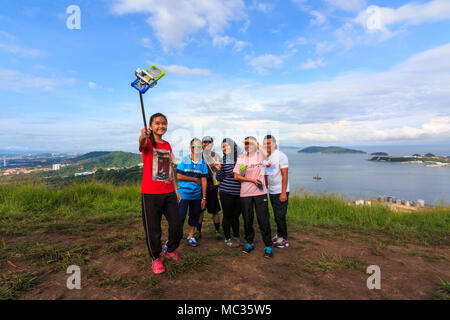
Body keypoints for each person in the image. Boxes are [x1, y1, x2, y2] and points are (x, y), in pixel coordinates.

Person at [139, 113, 182, 275]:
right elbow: (142, 143)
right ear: (150, 126)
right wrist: (143, 136)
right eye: (157, 123)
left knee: (177, 225)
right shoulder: (148, 142)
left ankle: (170, 249)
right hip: (150, 193)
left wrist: (176, 189)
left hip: (169, 191)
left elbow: (170, 168)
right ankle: (155, 258)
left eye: (164, 123)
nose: (161, 126)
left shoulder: (168, 145)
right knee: (153, 228)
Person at [233, 136, 273, 258]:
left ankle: (268, 245)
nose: (247, 146)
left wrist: (256, 143)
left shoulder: (260, 156)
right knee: (247, 219)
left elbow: (267, 154)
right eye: (245, 144)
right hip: (245, 193)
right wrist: (248, 178)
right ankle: (249, 242)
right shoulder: (241, 158)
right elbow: (236, 176)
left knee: (263, 219)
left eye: (250, 143)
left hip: (260, 193)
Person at [176, 138, 208, 247]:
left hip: (196, 195)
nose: (197, 148)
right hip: (183, 194)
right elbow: (179, 176)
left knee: (194, 216)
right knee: (180, 216)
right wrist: (194, 179)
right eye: (194, 146)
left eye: (199, 146)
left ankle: (191, 236)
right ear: (191, 148)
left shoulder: (203, 163)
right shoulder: (184, 160)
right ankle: (175, 237)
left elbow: (204, 180)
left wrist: (204, 198)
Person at [263, 135, 290, 248]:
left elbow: (285, 174)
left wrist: (283, 192)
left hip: (280, 191)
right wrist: (266, 188)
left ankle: (283, 239)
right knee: (276, 214)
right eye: (265, 143)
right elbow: (267, 174)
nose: (266, 145)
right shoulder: (267, 157)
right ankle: (279, 234)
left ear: (274, 144)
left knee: (280, 215)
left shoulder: (281, 156)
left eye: (269, 143)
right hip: (272, 191)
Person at [195, 136, 223, 240]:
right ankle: (198, 231)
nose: (206, 144)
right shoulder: (197, 156)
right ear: (202, 144)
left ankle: (217, 230)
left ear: (212, 144)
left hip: (212, 187)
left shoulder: (216, 156)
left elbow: (221, 172)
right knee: (199, 210)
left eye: (209, 142)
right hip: (200, 187)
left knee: (215, 210)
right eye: (204, 142)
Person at [216, 138, 241, 248]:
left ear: (233, 146)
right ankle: (227, 238)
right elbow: (219, 178)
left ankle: (236, 236)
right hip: (226, 192)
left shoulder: (240, 159)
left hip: (239, 192)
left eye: (227, 146)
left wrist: (243, 168)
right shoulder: (223, 160)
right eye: (223, 146)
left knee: (236, 216)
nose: (225, 148)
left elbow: (244, 173)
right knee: (227, 216)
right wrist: (219, 169)